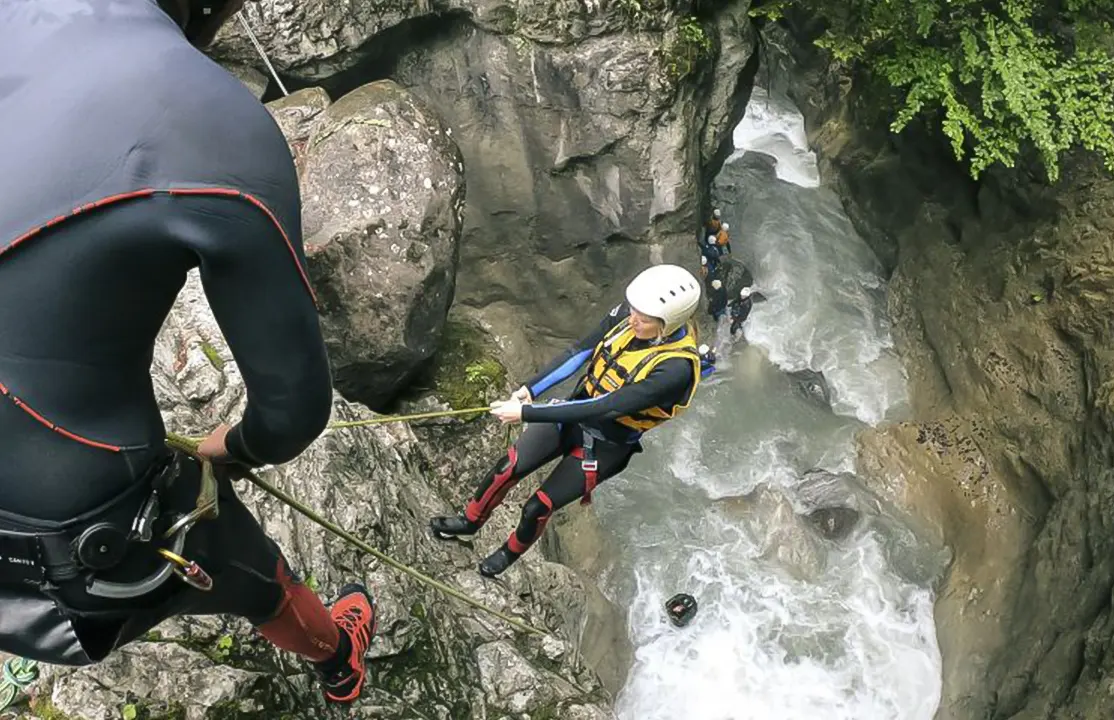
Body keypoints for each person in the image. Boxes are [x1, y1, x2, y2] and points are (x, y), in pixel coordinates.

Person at [0, 0, 375, 704]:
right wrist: (228, 450)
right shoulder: (216, 122)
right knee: (253, 572)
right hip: (65, 551)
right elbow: (292, 416)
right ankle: (338, 658)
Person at [429, 265, 704, 577]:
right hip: (573, 414)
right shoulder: (626, 320)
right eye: (633, 310)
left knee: (538, 506)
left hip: (606, 444)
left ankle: (505, 556)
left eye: (643, 317)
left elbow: (605, 406)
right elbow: (579, 352)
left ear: (668, 324)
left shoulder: (675, 369)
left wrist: (527, 414)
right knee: (507, 468)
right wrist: (529, 390)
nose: (632, 319)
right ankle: (469, 522)